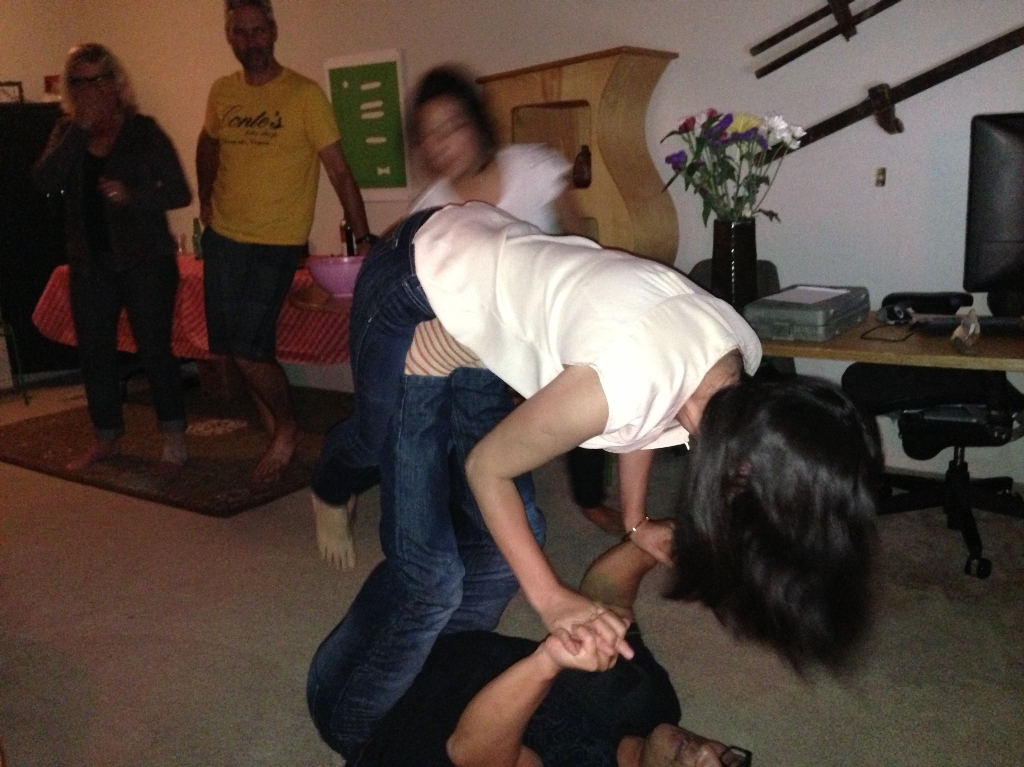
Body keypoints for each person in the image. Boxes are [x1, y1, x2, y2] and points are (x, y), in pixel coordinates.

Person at [305, 201, 882, 751]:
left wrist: (634, 522)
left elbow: (652, 415)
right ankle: (327, 487)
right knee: (402, 508)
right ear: (742, 470)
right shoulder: (621, 382)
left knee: (513, 538)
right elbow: (488, 467)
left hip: (483, 324)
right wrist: (551, 599)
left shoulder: (733, 371)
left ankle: (441, 658)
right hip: (414, 277)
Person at [310, 65, 612, 568]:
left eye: (453, 126)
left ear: (476, 123)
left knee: (590, 370)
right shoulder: (432, 207)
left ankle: (589, 496)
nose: (444, 143)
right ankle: (329, 489)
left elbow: (579, 242)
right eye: (430, 135)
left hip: (526, 328)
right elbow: (393, 268)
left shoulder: (531, 167)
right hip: (457, 349)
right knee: (384, 434)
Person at [311, 538, 753, 767]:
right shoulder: (655, 706)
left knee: (432, 579)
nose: (706, 755)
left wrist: (547, 662)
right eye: (729, 761)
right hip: (455, 645)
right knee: (511, 530)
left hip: (376, 715)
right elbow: (605, 593)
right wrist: (655, 544)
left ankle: (336, 481)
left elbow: (471, 752)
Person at [195, 0, 371, 484]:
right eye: (240, 32)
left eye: (258, 31)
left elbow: (340, 171)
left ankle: (288, 429)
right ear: (229, 36)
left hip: (276, 242)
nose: (250, 41)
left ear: (273, 31)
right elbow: (208, 143)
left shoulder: (304, 95)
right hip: (224, 236)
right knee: (234, 346)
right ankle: (275, 432)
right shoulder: (222, 91)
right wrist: (206, 200)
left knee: (248, 347)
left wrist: (363, 237)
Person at [32, 43, 192, 472]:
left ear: (116, 82)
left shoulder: (143, 131)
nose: (92, 90)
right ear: (71, 88)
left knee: (154, 349)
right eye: (81, 82)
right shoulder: (66, 132)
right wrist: (79, 131)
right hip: (89, 262)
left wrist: (133, 196)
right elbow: (44, 181)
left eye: (100, 79)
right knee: (95, 353)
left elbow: (178, 191)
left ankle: (173, 434)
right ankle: (106, 437)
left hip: (146, 258)